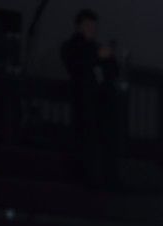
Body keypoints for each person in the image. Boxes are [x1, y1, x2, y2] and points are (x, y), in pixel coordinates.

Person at [59, 8, 120, 189]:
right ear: (79, 27)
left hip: (101, 107)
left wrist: (109, 58)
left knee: (103, 145)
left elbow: (112, 72)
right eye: (88, 25)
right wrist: (97, 56)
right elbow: (77, 65)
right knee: (84, 145)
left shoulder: (96, 48)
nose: (92, 29)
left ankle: (104, 181)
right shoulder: (71, 46)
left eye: (94, 26)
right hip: (83, 105)